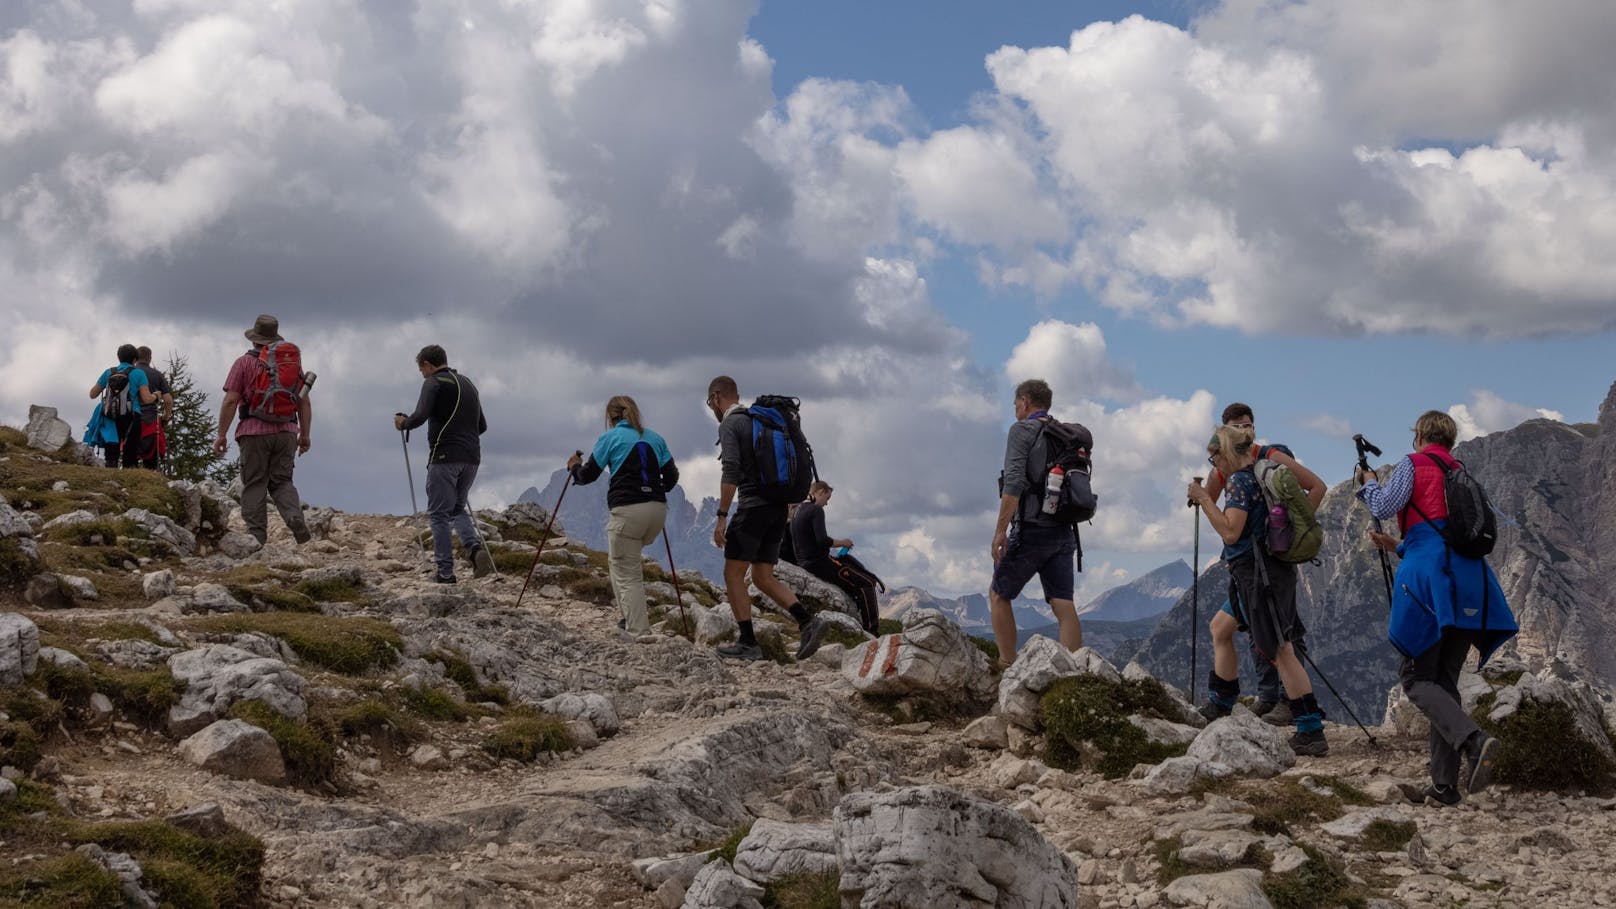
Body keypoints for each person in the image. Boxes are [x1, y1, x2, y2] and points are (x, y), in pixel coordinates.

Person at [1357, 410, 1515, 806]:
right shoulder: (1459, 471)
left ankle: (1474, 741)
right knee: (1443, 683)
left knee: (1415, 678)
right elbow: (1441, 534)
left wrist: (1368, 484)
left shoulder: (1414, 464)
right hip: (1470, 583)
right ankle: (1444, 786)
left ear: (1420, 436)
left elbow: (1387, 501)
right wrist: (1395, 546)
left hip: (1430, 582)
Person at [1188, 425, 1328, 756]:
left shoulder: (1239, 482)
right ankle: (1221, 701)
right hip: (1259, 573)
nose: (1214, 465)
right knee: (1220, 627)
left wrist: (1205, 498)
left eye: (1214, 457)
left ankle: (1310, 730)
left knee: (1281, 650)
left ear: (1225, 454)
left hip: (1258, 576)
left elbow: (1230, 532)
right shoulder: (1257, 476)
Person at [708, 375, 828, 661]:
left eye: (710, 402)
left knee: (732, 573)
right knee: (762, 576)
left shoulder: (731, 424)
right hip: (777, 510)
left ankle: (748, 642)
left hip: (752, 509)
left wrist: (722, 516)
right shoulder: (760, 421)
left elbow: (731, 471)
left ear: (716, 397)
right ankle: (808, 621)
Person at [566, 395, 679, 634]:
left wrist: (574, 466)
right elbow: (672, 478)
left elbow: (587, 476)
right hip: (658, 511)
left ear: (610, 417)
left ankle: (638, 631)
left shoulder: (610, 438)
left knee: (627, 573)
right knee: (618, 562)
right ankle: (627, 617)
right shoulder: (655, 438)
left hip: (628, 511)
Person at [989, 379, 1082, 665]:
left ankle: (1007, 666)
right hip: (1065, 530)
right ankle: (1072, 673)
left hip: (1031, 529)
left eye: (1016, 403)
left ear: (1025, 401)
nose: (1015, 408)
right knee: (1062, 603)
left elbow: (1014, 483)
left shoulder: (1022, 430)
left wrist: (1001, 530)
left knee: (998, 595)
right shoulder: (1065, 435)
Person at [395, 345, 494, 584]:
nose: (422, 374)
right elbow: (482, 426)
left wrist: (403, 423)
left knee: (438, 514)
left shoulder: (433, 383)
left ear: (427, 365)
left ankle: (445, 572)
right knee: (457, 508)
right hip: (472, 458)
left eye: (421, 369)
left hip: (444, 456)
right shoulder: (469, 383)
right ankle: (474, 550)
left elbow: (420, 415)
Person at [215, 315, 311, 547]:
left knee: (255, 482)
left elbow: (230, 400)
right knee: (282, 482)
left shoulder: (244, 363)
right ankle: (294, 517)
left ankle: (257, 538)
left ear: (254, 339)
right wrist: (304, 435)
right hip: (287, 430)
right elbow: (304, 402)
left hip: (253, 431)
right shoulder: (291, 365)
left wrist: (221, 434)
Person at [790, 481, 880, 634]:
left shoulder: (797, 511)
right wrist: (842, 542)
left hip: (803, 562)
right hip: (820, 562)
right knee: (867, 583)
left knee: (852, 582)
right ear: (820, 492)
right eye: (827, 498)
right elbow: (822, 541)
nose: (826, 504)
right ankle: (872, 630)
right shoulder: (815, 510)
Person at [85, 344, 156, 468]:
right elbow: (147, 398)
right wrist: (156, 395)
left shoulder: (109, 372)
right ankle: (129, 476)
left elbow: (92, 394)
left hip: (110, 415)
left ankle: (111, 475)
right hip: (132, 415)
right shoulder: (139, 374)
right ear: (135, 359)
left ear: (119, 358)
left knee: (111, 451)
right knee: (130, 451)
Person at [134, 346, 174, 470]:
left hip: (131, 420)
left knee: (130, 460)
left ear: (135, 358)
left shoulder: (131, 373)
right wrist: (165, 418)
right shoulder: (157, 375)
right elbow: (168, 400)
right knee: (151, 464)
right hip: (151, 422)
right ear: (150, 358)